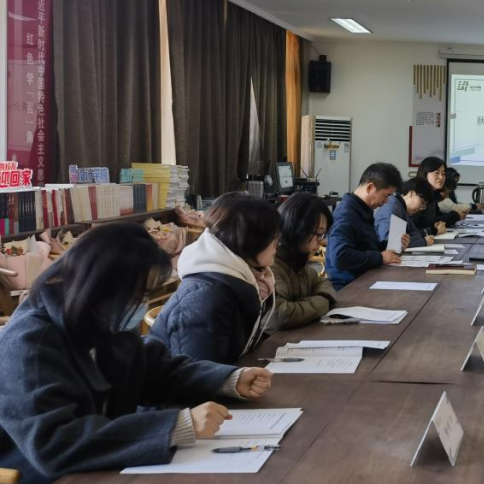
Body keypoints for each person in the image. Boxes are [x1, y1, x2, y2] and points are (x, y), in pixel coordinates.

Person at [0, 224, 274, 484]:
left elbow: (154, 371)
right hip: (47, 475)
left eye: (144, 295)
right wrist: (176, 426)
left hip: (110, 463)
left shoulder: (102, 315)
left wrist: (228, 379)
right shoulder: (29, 344)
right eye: (136, 295)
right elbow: (53, 444)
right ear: (97, 286)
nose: (140, 305)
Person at [150, 193, 280, 364]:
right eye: (273, 238)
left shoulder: (245, 277)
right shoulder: (206, 298)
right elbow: (199, 374)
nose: (277, 244)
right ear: (250, 240)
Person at [326, 163, 406, 289]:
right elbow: (340, 256)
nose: (386, 201)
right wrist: (380, 257)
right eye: (386, 195)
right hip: (348, 286)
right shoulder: (346, 215)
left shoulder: (363, 209)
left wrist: (393, 246)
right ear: (370, 187)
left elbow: (365, 247)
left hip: (366, 277)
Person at [269, 192, 338, 331]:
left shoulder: (299, 264)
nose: (320, 242)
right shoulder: (270, 267)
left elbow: (324, 283)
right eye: (318, 234)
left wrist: (320, 297)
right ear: (298, 230)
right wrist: (323, 301)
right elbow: (279, 316)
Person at [375, 176, 435, 248]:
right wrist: (423, 242)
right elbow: (388, 240)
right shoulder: (393, 207)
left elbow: (416, 233)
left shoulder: (401, 208)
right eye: (422, 203)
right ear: (411, 193)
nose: (421, 208)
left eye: (424, 206)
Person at [411, 157, 464, 236]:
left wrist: (436, 225)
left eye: (443, 174)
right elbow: (410, 230)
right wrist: (433, 230)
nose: (441, 177)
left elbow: (433, 219)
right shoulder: (417, 195)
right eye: (437, 173)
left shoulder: (433, 195)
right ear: (425, 174)